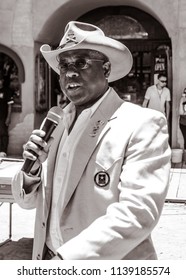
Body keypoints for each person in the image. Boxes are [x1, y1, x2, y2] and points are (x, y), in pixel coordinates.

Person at [12, 21, 171, 260]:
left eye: (81, 62)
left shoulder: (142, 123)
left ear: (106, 70)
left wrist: (67, 260)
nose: (70, 73)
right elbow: (29, 205)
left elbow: (138, 214)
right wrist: (32, 169)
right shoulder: (56, 124)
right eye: (63, 65)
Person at [0, 74, 14, 157]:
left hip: (3, 117)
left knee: (3, 134)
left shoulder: (7, 91)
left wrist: (8, 117)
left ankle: (3, 151)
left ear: (1, 81)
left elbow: (9, 105)